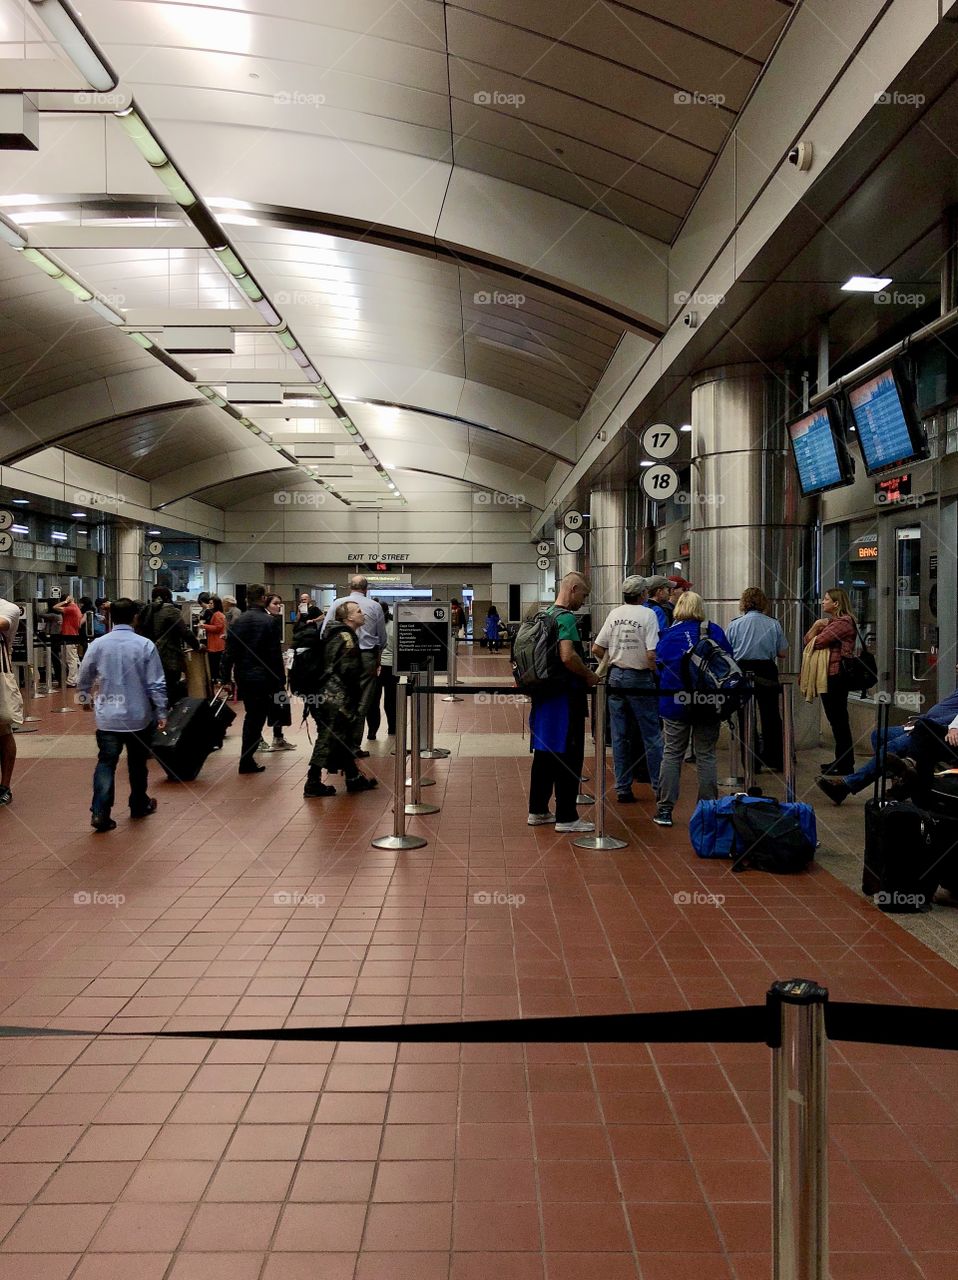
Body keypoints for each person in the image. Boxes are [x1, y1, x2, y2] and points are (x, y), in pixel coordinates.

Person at [76, 597, 168, 833]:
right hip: (138, 716)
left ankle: (100, 812)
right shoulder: (145, 645)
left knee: (106, 762)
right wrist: (161, 711)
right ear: (136, 617)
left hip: (108, 716)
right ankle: (138, 803)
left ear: (109, 617)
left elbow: (84, 674)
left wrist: (85, 697)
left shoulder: (98, 644)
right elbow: (155, 683)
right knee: (138, 763)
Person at [653, 591, 734, 828]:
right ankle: (707, 809)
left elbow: (659, 668)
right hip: (708, 701)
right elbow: (727, 662)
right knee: (706, 754)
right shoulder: (715, 631)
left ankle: (665, 810)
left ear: (678, 607)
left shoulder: (669, 635)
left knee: (672, 754)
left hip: (675, 702)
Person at [528, 573, 600, 834]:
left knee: (544, 755)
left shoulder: (545, 615)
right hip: (565, 698)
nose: (584, 600)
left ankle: (537, 810)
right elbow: (568, 656)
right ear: (573, 588)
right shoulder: (566, 618)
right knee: (569, 755)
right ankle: (566, 816)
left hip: (544, 698)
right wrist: (589, 675)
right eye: (584, 594)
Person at [591, 575, 663, 803]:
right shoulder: (648, 614)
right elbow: (652, 653)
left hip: (615, 678)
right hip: (640, 677)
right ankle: (658, 786)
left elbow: (596, 648)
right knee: (651, 732)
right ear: (643, 594)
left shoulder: (614, 614)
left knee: (620, 735)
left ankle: (623, 788)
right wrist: (654, 672)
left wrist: (615, 658)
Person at [302, 601, 378, 797]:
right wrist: (352, 699)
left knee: (340, 738)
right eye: (359, 611)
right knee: (328, 738)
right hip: (335, 696)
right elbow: (348, 671)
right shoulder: (347, 637)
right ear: (349, 617)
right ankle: (312, 781)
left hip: (324, 694)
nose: (364, 615)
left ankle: (353, 778)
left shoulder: (332, 633)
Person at [222, 584, 287, 774]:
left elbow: (229, 653)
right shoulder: (269, 622)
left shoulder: (238, 622)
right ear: (263, 598)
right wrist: (281, 680)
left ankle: (247, 758)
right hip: (265, 677)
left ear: (246, 599)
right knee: (257, 719)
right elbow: (274, 654)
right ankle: (246, 759)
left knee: (252, 716)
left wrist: (225, 677)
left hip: (244, 675)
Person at [322, 576, 387, 756]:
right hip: (367, 657)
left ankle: (340, 742)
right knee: (363, 701)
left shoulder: (337, 603)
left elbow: (324, 631)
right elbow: (382, 638)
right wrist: (377, 655)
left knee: (343, 698)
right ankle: (353, 745)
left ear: (349, 586)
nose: (362, 614)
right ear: (366, 588)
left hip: (339, 657)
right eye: (359, 612)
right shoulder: (374, 606)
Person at [726, 587, 788, 773]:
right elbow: (782, 653)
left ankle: (751, 762)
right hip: (767, 670)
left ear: (744, 603)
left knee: (745, 716)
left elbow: (727, 652)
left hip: (742, 670)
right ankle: (775, 758)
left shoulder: (734, 624)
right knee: (771, 715)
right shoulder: (773, 623)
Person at [804, 588, 856, 775]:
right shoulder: (832, 623)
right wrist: (818, 626)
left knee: (839, 719)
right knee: (835, 719)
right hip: (829, 675)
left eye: (826, 599)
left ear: (836, 604)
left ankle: (845, 764)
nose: (822, 602)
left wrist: (818, 626)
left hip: (837, 676)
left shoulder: (843, 623)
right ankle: (841, 760)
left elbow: (816, 643)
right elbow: (807, 640)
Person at [137, 585, 200, 708]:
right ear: (168, 597)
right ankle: (169, 719)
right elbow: (185, 632)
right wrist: (197, 646)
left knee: (153, 688)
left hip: (148, 656)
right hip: (168, 657)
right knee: (170, 688)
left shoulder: (145, 610)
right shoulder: (171, 611)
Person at [0, 597, 23, 806]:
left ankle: (4, 785)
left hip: (0, 679)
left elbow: (2, 623)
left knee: (3, 731)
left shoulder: (9, 608)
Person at [53, 593, 84, 687]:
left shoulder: (71, 608)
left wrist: (65, 601)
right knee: (74, 658)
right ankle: (76, 678)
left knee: (71, 659)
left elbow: (55, 607)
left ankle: (71, 680)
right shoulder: (76, 608)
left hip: (69, 635)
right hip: (74, 634)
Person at [201, 594, 227, 685]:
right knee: (213, 663)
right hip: (213, 642)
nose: (210, 605)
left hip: (217, 643)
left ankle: (216, 678)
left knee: (215, 663)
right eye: (209, 603)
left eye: (212, 603)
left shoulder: (218, 614)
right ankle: (215, 678)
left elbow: (218, 628)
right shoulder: (213, 614)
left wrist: (204, 626)